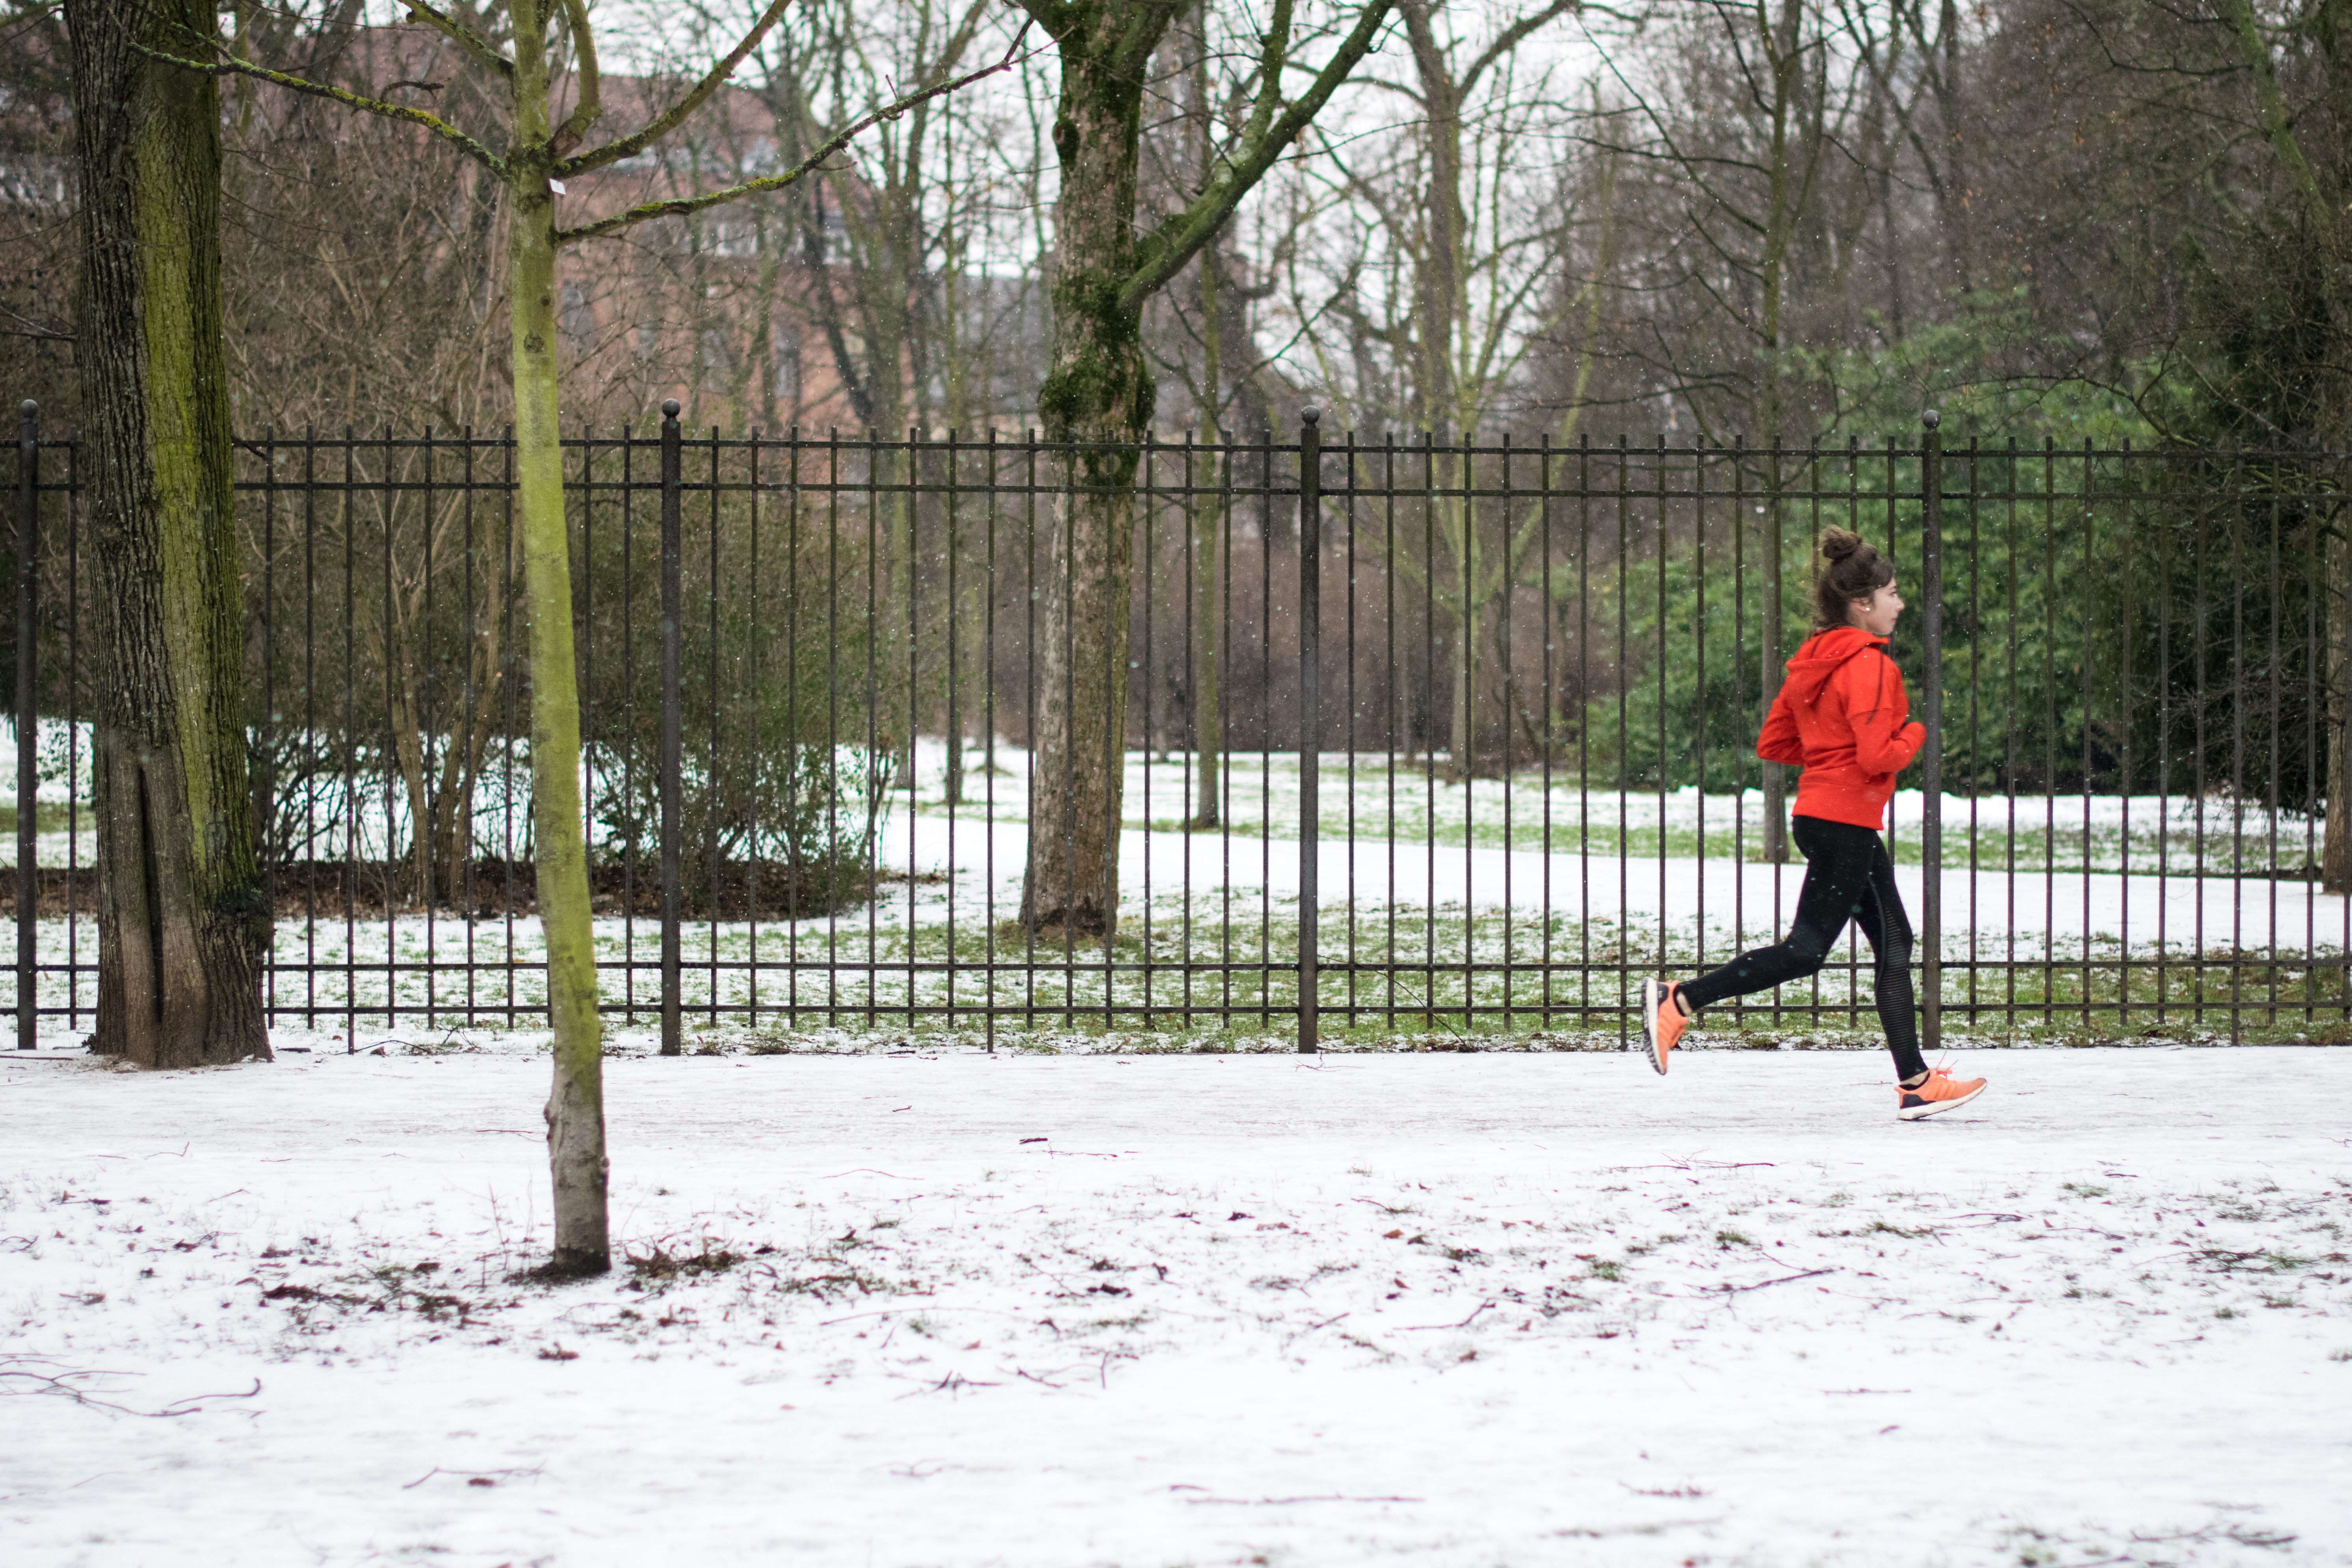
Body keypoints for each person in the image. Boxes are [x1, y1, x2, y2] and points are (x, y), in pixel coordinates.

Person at [1639, 527, 1987, 1121]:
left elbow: (1774, 741)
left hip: (1824, 817)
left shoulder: (1810, 661)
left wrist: (1829, 757)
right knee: (1805, 952)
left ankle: (1915, 1081)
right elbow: (1880, 756)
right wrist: (1916, 734)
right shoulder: (1873, 668)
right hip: (1844, 821)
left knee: (1895, 942)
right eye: (1893, 594)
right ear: (1862, 604)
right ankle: (1681, 999)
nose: (1899, 605)